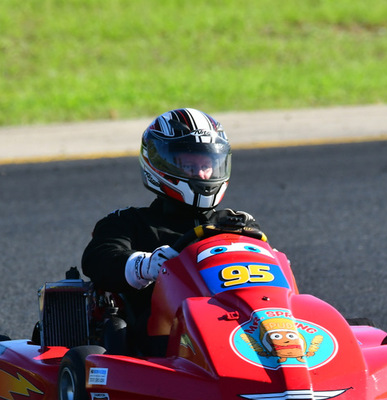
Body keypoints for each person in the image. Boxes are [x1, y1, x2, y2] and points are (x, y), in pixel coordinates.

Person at [81, 108, 258, 354]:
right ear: (159, 164)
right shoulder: (131, 222)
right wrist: (146, 265)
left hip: (237, 329)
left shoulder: (235, 225)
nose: (201, 174)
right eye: (189, 164)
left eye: (207, 164)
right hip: (161, 339)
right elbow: (98, 259)